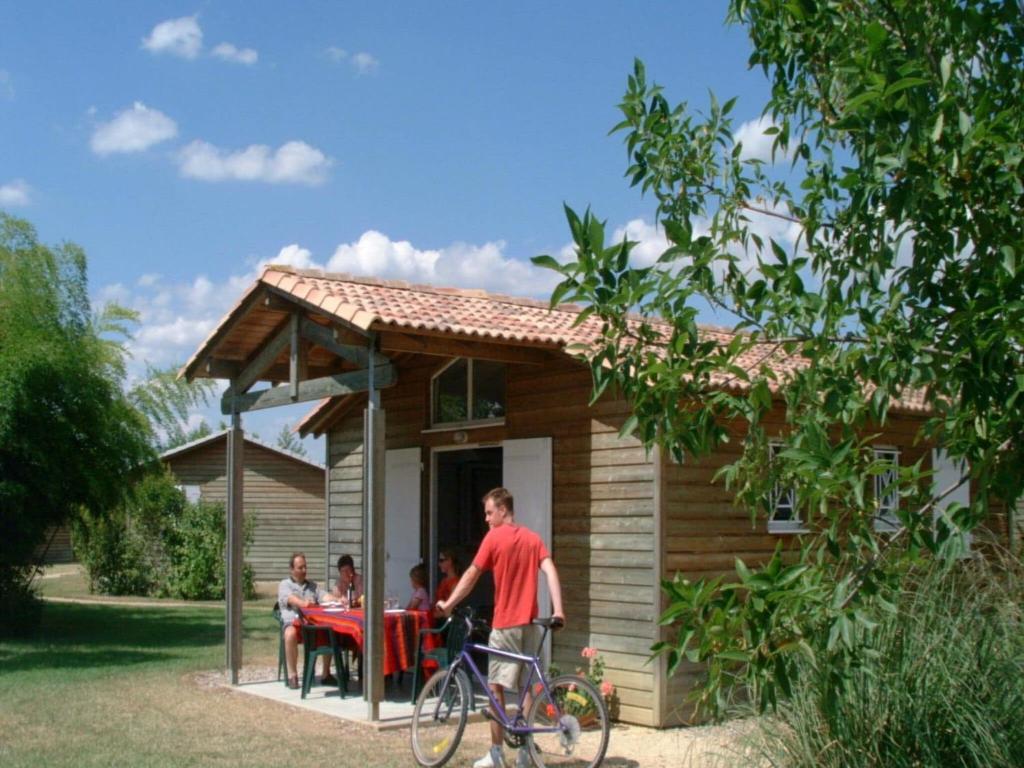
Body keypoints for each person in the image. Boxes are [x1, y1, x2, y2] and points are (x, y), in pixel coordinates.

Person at [437, 488, 565, 768]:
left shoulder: (495, 537)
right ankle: (526, 751)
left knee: (495, 687)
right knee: (526, 689)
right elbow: (550, 569)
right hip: (529, 624)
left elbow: (471, 574)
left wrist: (449, 603)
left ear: (503, 511)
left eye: (489, 512)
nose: (486, 519)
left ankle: (496, 754)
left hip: (506, 624)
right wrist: (558, 609)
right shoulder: (532, 539)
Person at [277, 552, 333, 690]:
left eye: (305, 567)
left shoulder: (313, 586)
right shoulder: (285, 584)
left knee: (330, 631)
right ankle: (293, 675)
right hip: (293, 623)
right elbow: (291, 599)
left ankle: (326, 674)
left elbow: (325, 597)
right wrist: (304, 603)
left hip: (311, 625)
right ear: (292, 569)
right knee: (289, 634)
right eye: (300, 568)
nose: (304, 570)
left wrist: (338, 599)